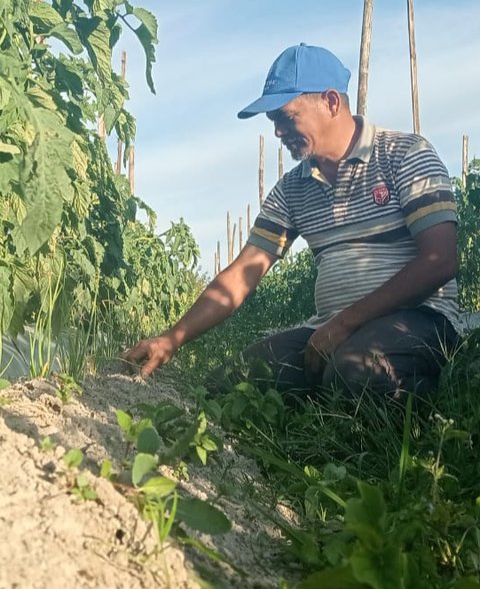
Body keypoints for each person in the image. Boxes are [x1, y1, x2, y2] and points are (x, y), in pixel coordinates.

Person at [123, 43, 460, 397]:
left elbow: (439, 262)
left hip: (421, 318)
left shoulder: (405, 155)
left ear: (331, 102)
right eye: (274, 123)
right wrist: (172, 339)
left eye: (286, 117)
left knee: (355, 370)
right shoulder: (293, 189)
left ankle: (428, 399)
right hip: (335, 329)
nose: (278, 133)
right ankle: (327, 389)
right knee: (230, 385)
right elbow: (242, 274)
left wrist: (345, 322)